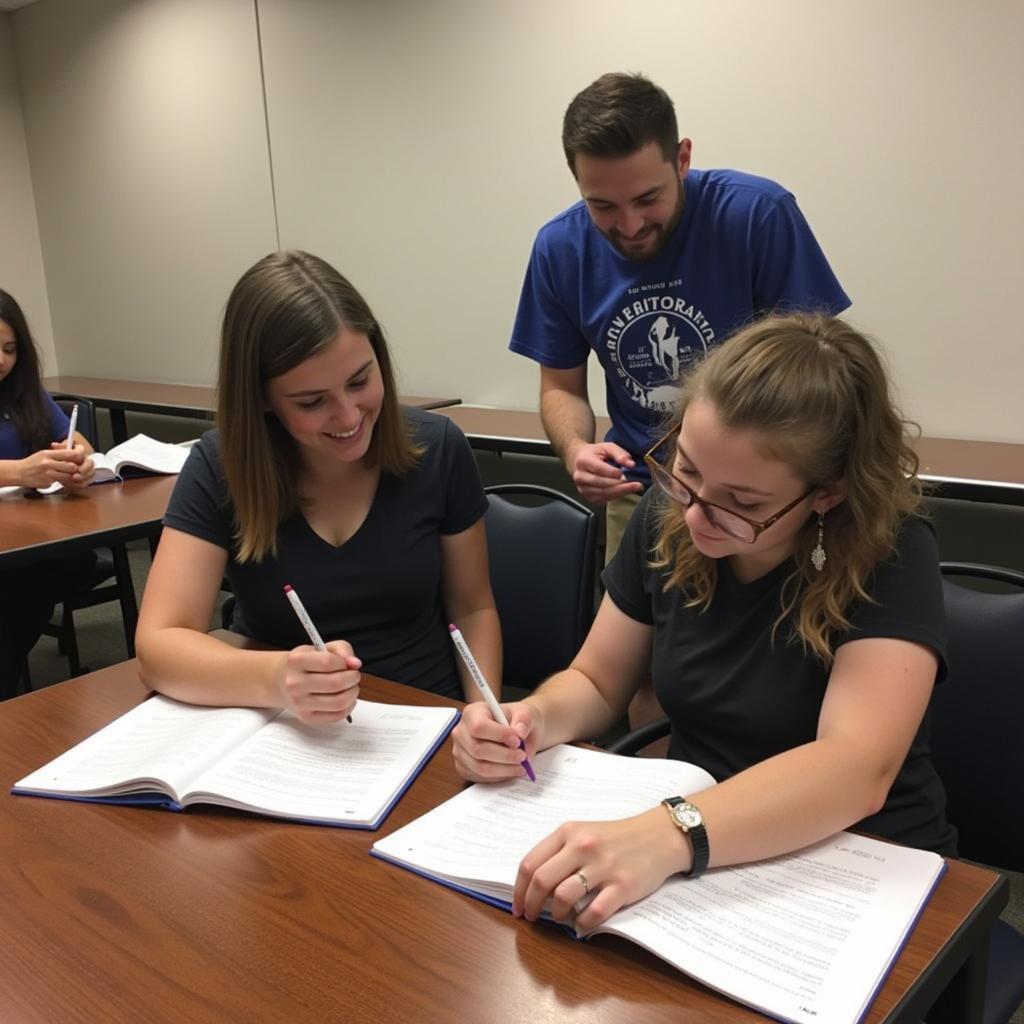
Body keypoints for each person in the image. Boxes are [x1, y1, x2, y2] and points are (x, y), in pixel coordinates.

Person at [454, 313, 954, 933]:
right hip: (703, 856)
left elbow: (856, 769)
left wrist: (669, 833)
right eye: (686, 469)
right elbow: (598, 682)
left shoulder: (893, 550)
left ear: (828, 493)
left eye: (743, 504)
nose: (696, 515)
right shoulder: (669, 512)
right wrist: (532, 719)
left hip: (857, 859)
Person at [136, 251, 500, 721]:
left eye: (360, 380)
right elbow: (158, 646)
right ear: (262, 400)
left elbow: (472, 609)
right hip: (283, 728)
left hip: (424, 719)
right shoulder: (220, 466)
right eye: (312, 401)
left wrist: (483, 711)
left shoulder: (437, 449)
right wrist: (278, 678)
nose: (348, 417)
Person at [509, 71, 851, 563]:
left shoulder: (756, 216)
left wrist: (751, 495)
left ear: (683, 159)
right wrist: (575, 450)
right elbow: (561, 386)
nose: (629, 225)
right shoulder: (559, 248)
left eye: (648, 199)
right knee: (637, 636)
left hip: (757, 501)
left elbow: (820, 374)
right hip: (643, 490)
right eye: (602, 205)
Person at [0, 288, 97, 697]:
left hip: (33, 541)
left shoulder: (24, 394)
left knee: (65, 564)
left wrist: (79, 460)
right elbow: (22, 472)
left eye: (9, 349)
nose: (1, 361)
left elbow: (77, 443)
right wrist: (19, 471)